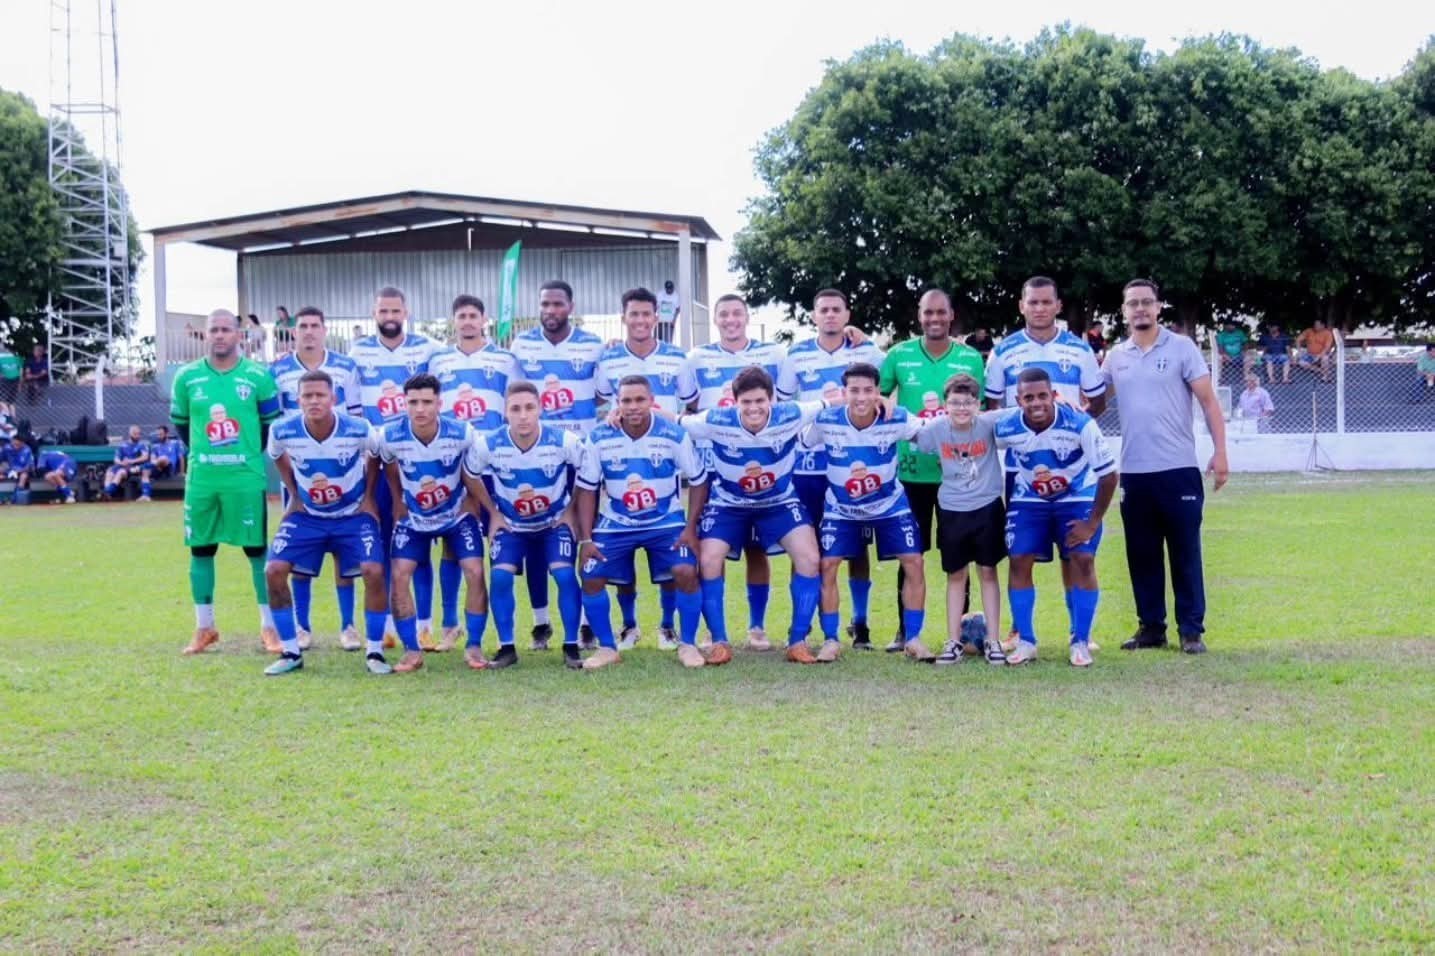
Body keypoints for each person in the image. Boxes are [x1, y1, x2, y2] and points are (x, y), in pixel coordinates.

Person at [1100, 278, 1229, 655]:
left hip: (1178, 469)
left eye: (1147, 302)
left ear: (1158, 307)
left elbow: (1208, 402)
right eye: (1133, 303)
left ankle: (1191, 630)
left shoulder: (1181, 348)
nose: (1140, 308)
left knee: (1185, 551)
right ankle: (1151, 628)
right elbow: (1094, 402)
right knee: (1142, 554)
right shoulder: (1116, 356)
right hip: (1134, 472)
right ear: (1124, 311)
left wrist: (1221, 451)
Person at [678, 366, 838, 664]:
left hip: (779, 501)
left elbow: (831, 402)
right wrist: (622, 413)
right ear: (735, 402)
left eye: (760, 401)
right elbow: (676, 421)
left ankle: (797, 641)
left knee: (809, 558)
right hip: (728, 503)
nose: (754, 408)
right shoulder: (715, 420)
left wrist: (879, 399)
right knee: (709, 559)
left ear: (772, 399)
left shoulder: (791, 414)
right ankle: (719, 641)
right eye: (746, 402)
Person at [985, 277, 1107, 653]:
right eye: (1032, 302)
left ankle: (1079, 632)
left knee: (1074, 551)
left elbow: (1097, 401)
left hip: (1072, 467)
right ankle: (1019, 631)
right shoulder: (1003, 351)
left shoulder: (1079, 349)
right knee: (1022, 552)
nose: (1039, 308)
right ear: (1021, 306)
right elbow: (993, 408)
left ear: (1057, 305)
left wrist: (1077, 423)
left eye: (1045, 302)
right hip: (1022, 469)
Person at [261, 370, 391, 676]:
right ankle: (291, 651)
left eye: (320, 395)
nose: (314, 401)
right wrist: (295, 493)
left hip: (352, 515)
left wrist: (369, 497)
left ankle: (375, 652)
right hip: (308, 516)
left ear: (333, 398)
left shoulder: (358, 428)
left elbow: (376, 455)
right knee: (274, 570)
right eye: (307, 396)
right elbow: (277, 456)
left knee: (374, 571)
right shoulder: (282, 429)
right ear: (298, 400)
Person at [574, 376, 707, 669]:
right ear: (617, 403)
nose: (633, 406)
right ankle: (607, 648)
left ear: (651, 402)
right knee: (591, 573)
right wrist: (586, 539)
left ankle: (687, 644)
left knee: (685, 570)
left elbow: (698, 480)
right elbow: (587, 489)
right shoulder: (599, 437)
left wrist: (690, 528)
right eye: (626, 400)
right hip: (617, 521)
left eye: (639, 400)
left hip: (665, 521)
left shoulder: (674, 435)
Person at [777, 288, 885, 648]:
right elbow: (785, 407)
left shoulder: (867, 351)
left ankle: (860, 622)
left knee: (856, 547)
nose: (830, 315)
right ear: (814, 315)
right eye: (823, 309)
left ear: (847, 314)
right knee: (803, 545)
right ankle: (803, 621)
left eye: (836, 309)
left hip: (851, 466)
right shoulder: (796, 355)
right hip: (807, 468)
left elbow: (889, 385)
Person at [172, 308, 283, 655]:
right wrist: (202, 454)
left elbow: (269, 425)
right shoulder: (187, 377)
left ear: (238, 334)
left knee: (256, 550)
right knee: (201, 548)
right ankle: (204, 627)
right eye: (214, 330)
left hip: (245, 478)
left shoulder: (258, 376)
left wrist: (246, 454)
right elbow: (181, 424)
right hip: (203, 479)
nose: (219, 335)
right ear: (206, 335)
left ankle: (269, 628)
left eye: (226, 329)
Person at [879, 288, 985, 651]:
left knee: (960, 554)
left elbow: (982, 410)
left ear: (951, 315)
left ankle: (961, 634)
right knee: (910, 554)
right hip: (911, 473)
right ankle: (905, 631)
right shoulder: (899, 354)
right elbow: (877, 397)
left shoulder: (971, 358)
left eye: (941, 312)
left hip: (958, 475)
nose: (934, 319)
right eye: (928, 312)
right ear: (919, 315)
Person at [802, 363, 929, 663]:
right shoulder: (827, 420)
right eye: (854, 390)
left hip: (889, 505)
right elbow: (802, 439)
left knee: (914, 561)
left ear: (878, 392)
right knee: (828, 564)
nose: (861, 397)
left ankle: (913, 638)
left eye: (868, 390)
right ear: (844, 392)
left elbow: (930, 432)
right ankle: (831, 639)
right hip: (841, 508)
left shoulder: (896, 416)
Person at [595, 287, 699, 650]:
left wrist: (670, 424)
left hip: (661, 461)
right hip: (623, 458)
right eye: (633, 314)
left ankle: (667, 626)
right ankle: (629, 626)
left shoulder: (677, 358)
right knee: (622, 560)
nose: (640, 320)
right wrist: (614, 414)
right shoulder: (608, 358)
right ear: (623, 318)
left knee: (669, 562)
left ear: (657, 317)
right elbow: (600, 401)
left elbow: (692, 404)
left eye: (646, 314)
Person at [683, 294, 788, 649]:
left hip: (759, 463)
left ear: (747, 317)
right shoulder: (697, 358)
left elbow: (785, 400)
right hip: (714, 466)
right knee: (713, 548)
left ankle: (757, 627)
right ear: (715, 319)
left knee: (757, 550)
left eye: (736, 313)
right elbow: (690, 407)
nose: (731, 320)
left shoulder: (773, 354)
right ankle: (714, 631)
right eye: (724, 314)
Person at [996, 368, 1118, 667]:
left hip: (1077, 496)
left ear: (1053, 395)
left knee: (1083, 559)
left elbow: (1109, 476)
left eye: (1042, 396)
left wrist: (1092, 523)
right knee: (1019, 559)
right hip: (1029, 499)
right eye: (1028, 398)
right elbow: (972, 426)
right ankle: (1026, 641)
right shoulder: (1006, 426)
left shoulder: (1080, 423)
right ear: (1018, 400)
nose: (1036, 403)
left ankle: (1080, 641)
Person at [508, 280, 605, 651]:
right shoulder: (522, 345)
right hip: (538, 455)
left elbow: (602, 395)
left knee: (584, 536)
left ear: (571, 307)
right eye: (545, 304)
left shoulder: (593, 345)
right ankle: (541, 622)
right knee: (536, 540)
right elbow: (515, 397)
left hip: (580, 457)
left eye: (557, 304)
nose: (550, 310)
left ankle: (585, 624)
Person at [464, 382, 585, 669]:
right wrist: (493, 512)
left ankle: (571, 645)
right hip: (512, 526)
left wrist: (571, 510)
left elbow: (588, 471)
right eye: (515, 409)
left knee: (565, 575)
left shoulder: (564, 441)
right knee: (501, 577)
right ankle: (507, 647)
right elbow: (470, 474)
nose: (523, 415)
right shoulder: (488, 444)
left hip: (553, 523)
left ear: (540, 409)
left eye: (529, 407)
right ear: (505, 412)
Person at [349, 287, 443, 649]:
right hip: (377, 459)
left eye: (395, 310)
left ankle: (424, 624)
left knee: (420, 543)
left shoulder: (428, 349)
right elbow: (354, 409)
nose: (389, 316)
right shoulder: (358, 352)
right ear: (374, 314)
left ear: (406, 312)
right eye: (383, 311)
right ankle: (388, 623)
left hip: (416, 460)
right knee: (383, 543)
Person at [377, 373, 489, 674]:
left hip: (456, 515)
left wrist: (473, 501)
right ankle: (412, 650)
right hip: (414, 517)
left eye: (427, 402)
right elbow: (388, 465)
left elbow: (474, 467)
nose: (420, 409)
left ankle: (474, 645)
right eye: (413, 402)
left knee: (475, 570)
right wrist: (398, 499)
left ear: (440, 403)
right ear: (404, 403)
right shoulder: (389, 435)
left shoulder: (462, 432)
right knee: (399, 574)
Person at [430, 294, 522, 651]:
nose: (468, 321)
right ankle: (449, 623)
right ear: (454, 321)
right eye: (462, 316)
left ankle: (503, 632)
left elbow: (516, 403)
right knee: (454, 544)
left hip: (495, 464)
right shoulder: (439, 360)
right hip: (453, 464)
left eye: (473, 315)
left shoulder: (504, 359)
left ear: (484, 320)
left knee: (500, 542)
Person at [272, 306, 367, 650]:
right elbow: (275, 427)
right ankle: (302, 627)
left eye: (315, 325)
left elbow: (357, 417)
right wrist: (292, 485)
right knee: (301, 553)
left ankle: (348, 625)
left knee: (343, 552)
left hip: (343, 474)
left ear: (325, 330)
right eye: (303, 326)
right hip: (301, 475)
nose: (309, 331)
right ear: (293, 332)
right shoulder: (277, 370)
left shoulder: (345, 367)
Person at [912, 374, 1008, 665]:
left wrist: (1062, 402)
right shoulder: (935, 429)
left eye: (968, 402)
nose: (962, 408)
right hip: (952, 509)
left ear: (978, 404)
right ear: (945, 404)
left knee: (988, 571)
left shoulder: (989, 424)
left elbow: (1021, 411)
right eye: (955, 402)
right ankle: (953, 641)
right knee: (956, 575)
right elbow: (907, 429)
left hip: (987, 506)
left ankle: (993, 640)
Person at [102, 425, 151, 501]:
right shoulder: (122, 446)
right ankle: (107, 493)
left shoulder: (142, 445)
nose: (137, 436)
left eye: (139, 434)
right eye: (135, 434)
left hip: (134, 467)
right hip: (122, 465)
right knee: (109, 472)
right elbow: (116, 459)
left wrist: (131, 461)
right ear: (130, 434)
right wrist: (121, 463)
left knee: (120, 472)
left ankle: (108, 492)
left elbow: (145, 457)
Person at [1295, 319, 1336, 383]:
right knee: (1300, 362)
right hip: (1309, 355)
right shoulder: (1308, 331)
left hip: (1321, 355)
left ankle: (1325, 377)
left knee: (1325, 358)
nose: (1315, 326)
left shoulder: (1328, 333)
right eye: (1314, 324)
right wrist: (1299, 350)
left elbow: (1327, 347)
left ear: (1322, 325)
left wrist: (1319, 356)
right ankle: (1322, 372)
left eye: (1317, 325)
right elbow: (1298, 340)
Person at [2, 434, 34, 504]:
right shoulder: (6, 448)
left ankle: (14, 499)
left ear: (22, 443)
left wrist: (17, 471)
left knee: (23, 476)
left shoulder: (27, 450)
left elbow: (30, 467)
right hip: (9, 471)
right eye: (14, 444)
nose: (16, 446)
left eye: (18, 445)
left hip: (22, 471)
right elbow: (1, 461)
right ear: (11, 442)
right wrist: (5, 469)